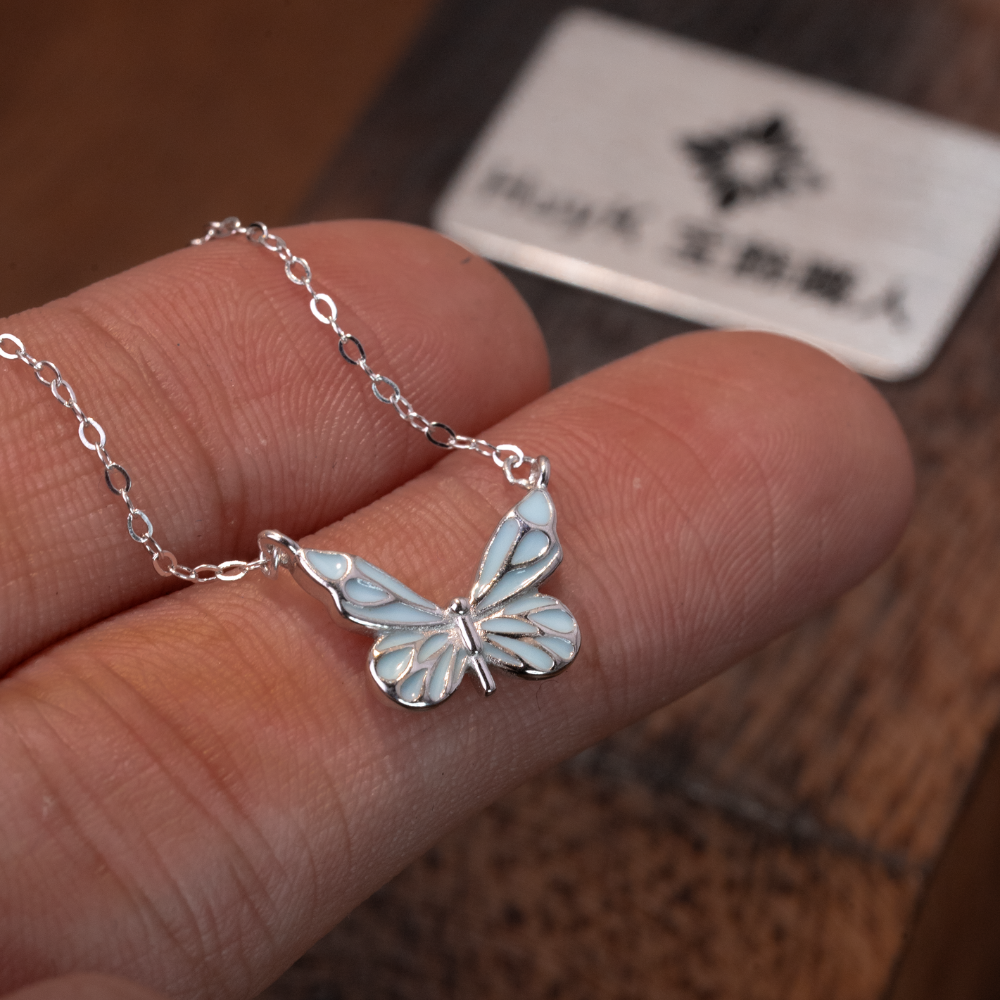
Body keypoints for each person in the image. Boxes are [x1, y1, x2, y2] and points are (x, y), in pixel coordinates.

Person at [0, 221, 913, 1000]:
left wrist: (363, 568)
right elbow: (416, 572)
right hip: (480, 626)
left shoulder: (409, 600)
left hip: (433, 640)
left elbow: (382, 583)